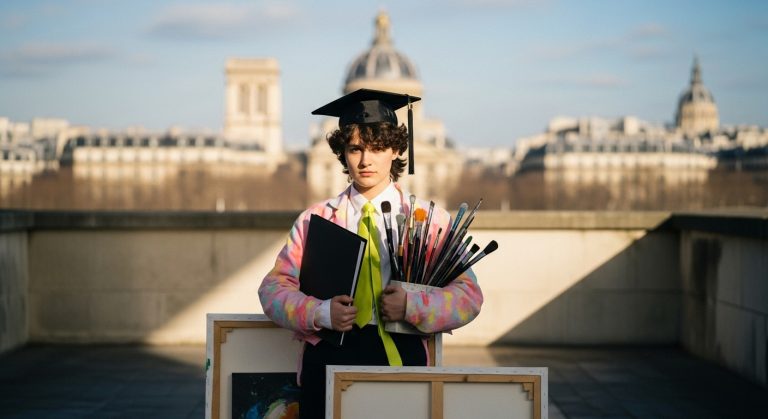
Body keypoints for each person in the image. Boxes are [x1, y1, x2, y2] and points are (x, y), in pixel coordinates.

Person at [258, 88, 483, 418]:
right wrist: (320, 313)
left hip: (403, 361)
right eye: (355, 149)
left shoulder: (429, 220)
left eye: (376, 148)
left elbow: (469, 297)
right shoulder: (315, 219)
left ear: (394, 150)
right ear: (343, 154)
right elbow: (272, 291)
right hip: (328, 363)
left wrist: (411, 305)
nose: (365, 160)